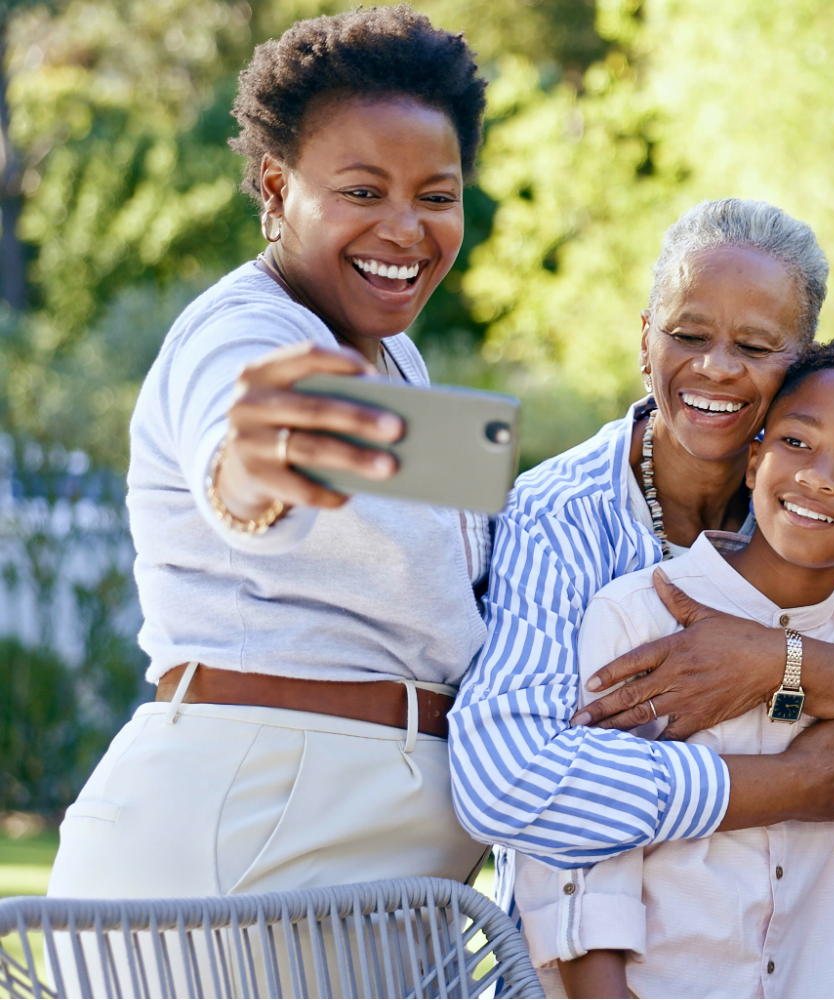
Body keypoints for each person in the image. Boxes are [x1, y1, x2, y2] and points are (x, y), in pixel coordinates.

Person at [47, 6, 493, 898]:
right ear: (276, 187)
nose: (406, 230)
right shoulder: (247, 332)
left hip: (377, 845)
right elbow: (244, 475)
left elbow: (470, 574)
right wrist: (251, 472)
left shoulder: (395, 359)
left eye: (434, 196)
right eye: (362, 192)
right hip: (247, 828)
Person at [449, 200, 834, 878]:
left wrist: (779, 662)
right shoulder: (557, 516)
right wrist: (793, 785)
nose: (716, 368)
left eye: (753, 346)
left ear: (802, 363)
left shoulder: (819, 508)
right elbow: (506, 783)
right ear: (644, 340)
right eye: (687, 335)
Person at [514, 338, 834, 999]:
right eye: (797, 443)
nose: (819, 476)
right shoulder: (637, 618)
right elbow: (584, 872)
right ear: (753, 461)